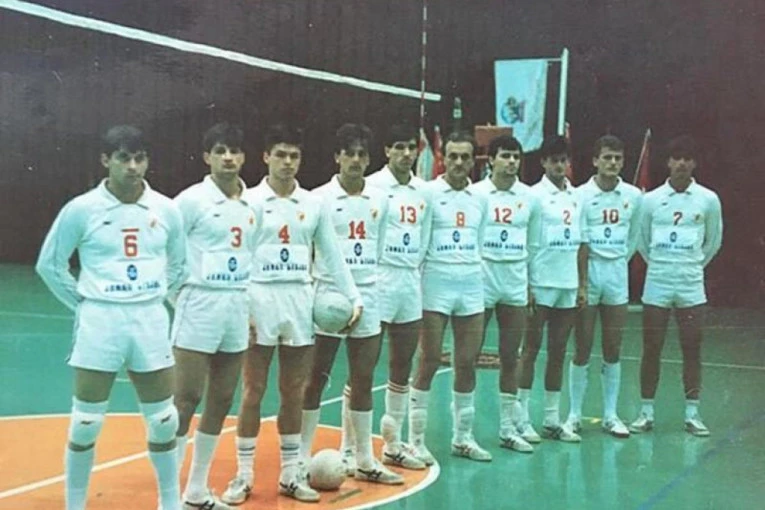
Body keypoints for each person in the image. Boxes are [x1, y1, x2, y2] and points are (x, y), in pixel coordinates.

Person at [35, 125, 186, 510]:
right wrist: (85, 303)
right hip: (100, 322)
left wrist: (152, 294)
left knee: (164, 420)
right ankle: (75, 505)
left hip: (149, 319)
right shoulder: (81, 209)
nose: (133, 166)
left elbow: (180, 266)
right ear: (106, 160)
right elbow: (50, 264)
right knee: (86, 422)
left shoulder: (166, 209)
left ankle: (170, 503)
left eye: (140, 158)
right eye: (123, 158)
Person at [221, 124, 362, 505]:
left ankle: (290, 474)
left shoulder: (313, 204)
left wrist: (354, 298)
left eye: (294, 156)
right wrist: (241, 307)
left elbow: (332, 254)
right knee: (253, 391)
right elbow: (237, 257)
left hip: (299, 300)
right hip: (259, 299)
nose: (287, 162)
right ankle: (243, 475)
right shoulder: (249, 201)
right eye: (280, 155)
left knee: (293, 392)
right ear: (266, 156)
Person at [300, 123, 403, 485]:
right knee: (314, 378)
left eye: (362, 154)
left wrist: (365, 285)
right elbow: (312, 250)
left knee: (363, 379)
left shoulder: (381, 199)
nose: (356, 160)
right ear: (337, 157)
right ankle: (300, 458)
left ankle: (365, 460)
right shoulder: (319, 199)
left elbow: (377, 246)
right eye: (350, 153)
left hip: (368, 293)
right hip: (327, 296)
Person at [171, 123, 255, 509]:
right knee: (185, 400)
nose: (228, 158)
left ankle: (196, 490)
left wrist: (249, 307)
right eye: (220, 150)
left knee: (221, 400)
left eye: (234, 150)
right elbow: (166, 252)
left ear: (244, 156)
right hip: (199, 304)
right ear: (207, 157)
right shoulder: (190, 201)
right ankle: (168, 495)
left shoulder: (251, 204)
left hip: (235, 305)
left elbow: (251, 258)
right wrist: (181, 297)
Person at [629, 134, 722, 437]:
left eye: (687, 158)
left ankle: (693, 414)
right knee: (651, 347)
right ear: (668, 162)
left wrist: (691, 265)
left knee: (692, 348)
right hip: (658, 281)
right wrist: (661, 264)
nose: (681, 163)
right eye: (676, 158)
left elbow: (713, 241)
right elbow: (642, 240)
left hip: (691, 283)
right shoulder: (651, 200)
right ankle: (646, 412)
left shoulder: (708, 199)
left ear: (694, 163)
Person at [409, 131, 492, 463]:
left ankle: (463, 438)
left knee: (467, 362)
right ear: (443, 158)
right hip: (436, 283)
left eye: (465, 157)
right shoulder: (429, 193)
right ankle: (415, 440)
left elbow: (480, 241)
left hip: (470, 284)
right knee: (429, 359)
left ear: (473, 160)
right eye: (453, 156)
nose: (459, 162)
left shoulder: (480, 198)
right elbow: (421, 242)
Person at [564, 135, 642, 439]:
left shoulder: (633, 195)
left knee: (613, 347)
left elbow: (634, 237)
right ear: (595, 160)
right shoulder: (580, 195)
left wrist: (618, 261)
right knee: (582, 346)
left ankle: (611, 415)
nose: (612, 163)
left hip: (616, 274)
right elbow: (579, 239)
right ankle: (574, 415)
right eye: (607, 157)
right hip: (589, 272)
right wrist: (583, 281)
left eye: (618, 158)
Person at [364, 125, 432, 469]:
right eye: (400, 147)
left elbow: (425, 236)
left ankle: (393, 445)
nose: (407, 154)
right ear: (387, 150)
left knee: (402, 365)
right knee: (363, 366)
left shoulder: (423, 191)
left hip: (408, 281)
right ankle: (352, 448)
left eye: (411, 148)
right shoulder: (372, 186)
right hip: (379, 278)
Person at [470, 135, 538, 453]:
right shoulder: (476, 194)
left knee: (511, 356)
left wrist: (530, 283)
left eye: (515, 156)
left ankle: (509, 429)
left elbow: (533, 243)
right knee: (469, 355)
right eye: (505, 156)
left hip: (514, 280)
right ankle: (463, 431)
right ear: (491, 160)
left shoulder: (529, 197)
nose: (511, 162)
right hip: (482, 278)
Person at [517, 135, 585, 443]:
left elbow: (581, 243)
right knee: (530, 350)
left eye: (563, 160)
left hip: (567, 283)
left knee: (558, 351)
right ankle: (521, 419)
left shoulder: (577, 197)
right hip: (541, 281)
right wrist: (528, 283)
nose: (559, 166)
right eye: (554, 160)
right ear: (544, 162)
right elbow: (527, 242)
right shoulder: (533, 196)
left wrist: (581, 284)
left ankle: (551, 419)